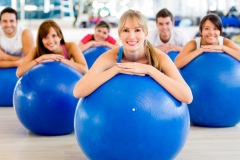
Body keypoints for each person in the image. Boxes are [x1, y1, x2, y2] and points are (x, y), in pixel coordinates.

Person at [73, 9, 193, 104]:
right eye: (126, 30)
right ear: (119, 34)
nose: (131, 36)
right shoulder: (110, 57)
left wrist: (149, 70)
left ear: (146, 33)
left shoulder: (159, 58)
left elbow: (187, 97)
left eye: (137, 30)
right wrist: (116, 69)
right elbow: (78, 91)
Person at [16, 19, 88, 78]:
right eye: (45, 37)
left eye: (54, 36)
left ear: (60, 36)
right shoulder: (37, 49)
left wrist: (60, 59)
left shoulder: (71, 46)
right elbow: (19, 73)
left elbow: (84, 70)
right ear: (41, 40)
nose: (50, 41)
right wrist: (42, 58)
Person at [174, 13, 240, 69]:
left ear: (220, 31)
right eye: (207, 28)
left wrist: (223, 48)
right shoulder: (193, 43)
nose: (211, 32)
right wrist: (201, 50)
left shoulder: (226, 42)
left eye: (215, 29)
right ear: (201, 31)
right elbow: (177, 64)